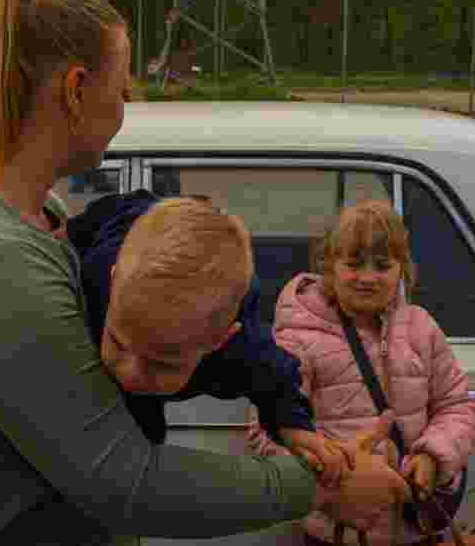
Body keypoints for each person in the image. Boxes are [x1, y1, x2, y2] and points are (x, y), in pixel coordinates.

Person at [0, 0, 411, 546]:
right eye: (120, 90)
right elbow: (126, 483)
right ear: (76, 91)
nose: (125, 109)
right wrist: (324, 486)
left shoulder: (27, 214)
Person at [67, 190, 353, 485]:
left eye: (162, 365)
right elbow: (108, 215)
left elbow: (278, 382)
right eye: (117, 342)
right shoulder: (98, 274)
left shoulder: (243, 350)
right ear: (114, 280)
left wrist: (297, 430)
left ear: (219, 340)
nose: (129, 372)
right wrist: (65, 232)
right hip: (130, 217)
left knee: (141, 438)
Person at [248, 200, 475, 546]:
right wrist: (333, 479)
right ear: (330, 266)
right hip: (336, 531)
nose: (368, 277)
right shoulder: (297, 340)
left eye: (383, 265)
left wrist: (433, 456)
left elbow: (456, 405)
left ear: (402, 269)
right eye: (354, 264)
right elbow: (267, 432)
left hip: (413, 529)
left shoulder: (422, 329)